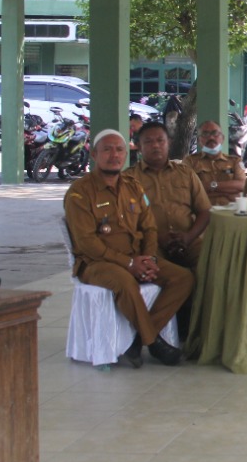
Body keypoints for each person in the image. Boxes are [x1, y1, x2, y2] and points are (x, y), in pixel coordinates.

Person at [63, 130, 193, 368]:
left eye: (119, 150)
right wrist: (129, 264)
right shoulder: (79, 193)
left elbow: (150, 227)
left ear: (127, 153)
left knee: (183, 278)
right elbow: (87, 243)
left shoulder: (133, 187)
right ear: (94, 154)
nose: (114, 155)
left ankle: (137, 339)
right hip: (97, 263)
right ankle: (155, 343)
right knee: (125, 281)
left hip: (137, 258)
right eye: (107, 150)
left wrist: (150, 258)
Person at [131, 122, 211, 268]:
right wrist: (156, 237)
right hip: (151, 244)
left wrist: (188, 237)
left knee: (214, 264)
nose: (155, 145)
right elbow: (126, 220)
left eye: (160, 140)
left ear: (169, 143)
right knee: (168, 274)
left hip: (189, 240)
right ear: (139, 146)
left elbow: (204, 211)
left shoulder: (185, 173)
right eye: (148, 141)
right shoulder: (129, 179)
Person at [184, 119, 246, 207]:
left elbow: (242, 185)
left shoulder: (235, 161)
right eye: (205, 134)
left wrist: (210, 186)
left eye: (215, 133)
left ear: (223, 138)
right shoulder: (190, 161)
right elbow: (188, 188)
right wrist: (226, 193)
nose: (211, 138)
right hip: (201, 212)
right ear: (199, 140)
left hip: (230, 212)